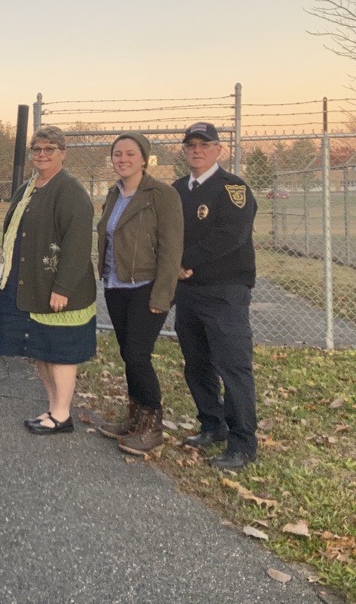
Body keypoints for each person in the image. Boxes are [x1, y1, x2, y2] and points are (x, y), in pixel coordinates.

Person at [0, 126, 96, 434]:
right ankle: (53, 408)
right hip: (32, 284)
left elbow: (77, 245)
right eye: (37, 149)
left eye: (49, 149)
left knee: (60, 352)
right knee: (40, 349)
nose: (42, 154)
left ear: (63, 153)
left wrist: (63, 288)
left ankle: (62, 414)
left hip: (58, 289)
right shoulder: (30, 187)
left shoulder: (70, 191)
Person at [174, 122, 258, 470]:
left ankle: (242, 444)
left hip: (224, 292)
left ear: (218, 150)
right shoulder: (177, 189)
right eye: (191, 145)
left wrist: (184, 261)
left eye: (204, 144)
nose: (197, 150)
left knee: (232, 367)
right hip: (188, 292)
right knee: (196, 363)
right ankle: (212, 425)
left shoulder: (233, 188)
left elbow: (230, 236)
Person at [96, 132, 183, 454]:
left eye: (130, 153)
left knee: (137, 354)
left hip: (145, 286)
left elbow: (171, 248)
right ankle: (136, 418)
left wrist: (162, 295)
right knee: (127, 353)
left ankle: (153, 425)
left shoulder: (162, 194)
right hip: (116, 285)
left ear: (144, 159)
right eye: (117, 154)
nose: (123, 159)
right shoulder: (113, 193)